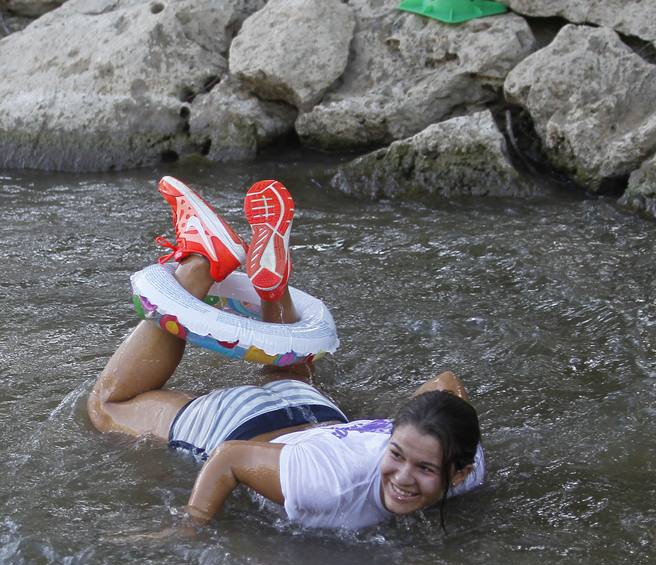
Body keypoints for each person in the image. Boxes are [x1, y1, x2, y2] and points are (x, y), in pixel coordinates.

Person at [88, 177, 485, 529]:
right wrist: (191, 526)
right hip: (238, 426)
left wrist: (412, 436)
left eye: (426, 468)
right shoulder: (330, 488)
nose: (403, 477)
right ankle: (200, 262)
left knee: (288, 378)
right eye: (398, 454)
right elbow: (228, 459)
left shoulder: (460, 449)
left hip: (318, 414)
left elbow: (445, 383)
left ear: (460, 475)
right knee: (106, 405)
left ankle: (271, 289)